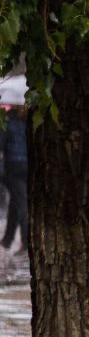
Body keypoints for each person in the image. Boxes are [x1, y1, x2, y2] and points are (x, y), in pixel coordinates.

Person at [0, 104, 28, 253]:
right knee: (17, 201)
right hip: (28, 165)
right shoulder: (28, 119)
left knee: (21, 203)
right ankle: (8, 239)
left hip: (13, 166)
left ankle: (26, 240)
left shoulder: (6, 120)